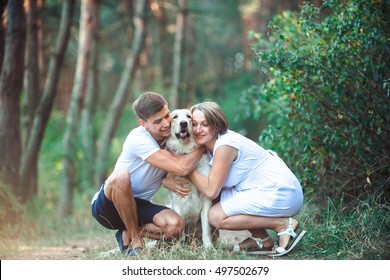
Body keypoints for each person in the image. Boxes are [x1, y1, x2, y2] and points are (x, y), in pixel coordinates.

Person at [91, 92, 204, 257]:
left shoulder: (171, 140)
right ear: (144, 124)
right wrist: (203, 143)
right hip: (109, 204)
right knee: (120, 177)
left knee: (175, 225)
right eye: (158, 121)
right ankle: (136, 241)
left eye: (167, 116)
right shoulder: (138, 138)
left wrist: (165, 180)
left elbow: (172, 167)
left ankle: (125, 232)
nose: (166, 123)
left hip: (139, 205)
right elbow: (181, 168)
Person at [188, 101, 306, 257]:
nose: (197, 130)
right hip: (262, 190)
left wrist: (186, 170)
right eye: (194, 124)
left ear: (216, 125)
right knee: (218, 200)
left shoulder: (225, 145)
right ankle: (262, 240)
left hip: (280, 191)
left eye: (204, 124)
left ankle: (282, 225)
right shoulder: (209, 146)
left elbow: (210, 190)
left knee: (215, 216)